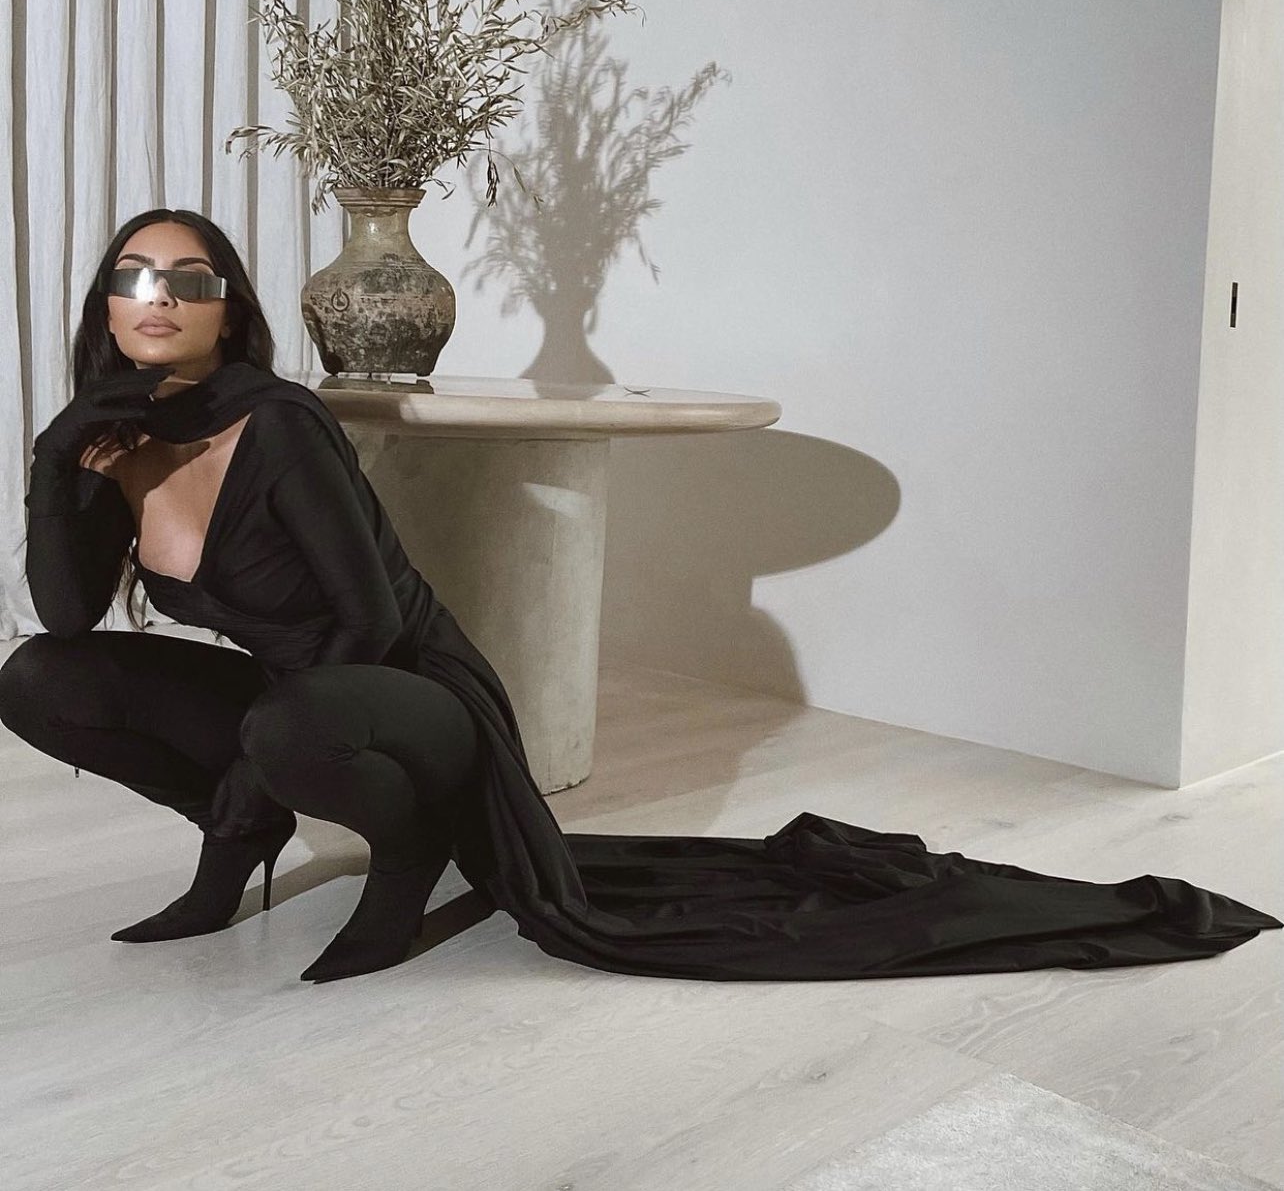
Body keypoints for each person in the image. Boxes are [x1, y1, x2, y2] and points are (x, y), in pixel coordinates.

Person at [1, 207, 1279, 988]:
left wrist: (251, 768)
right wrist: (58, 461)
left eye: (191, 280)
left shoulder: (278, 423)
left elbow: (370, 623)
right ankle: (245, 831)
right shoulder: (112, 439)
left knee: (286, 727)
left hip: (411, 690)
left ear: (232, 311)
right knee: (35, 679)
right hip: (302, 696)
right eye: (135, 277)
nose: (159, 300)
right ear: (106, 304)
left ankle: (404, 855)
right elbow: (63, 616)